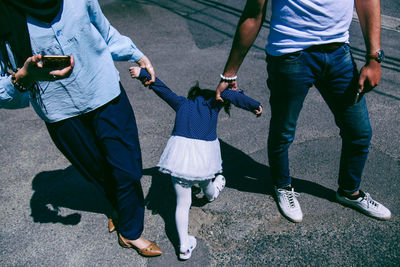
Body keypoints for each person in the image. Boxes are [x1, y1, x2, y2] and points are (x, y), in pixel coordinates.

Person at [0, 0, 162, 257]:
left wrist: (137, 55)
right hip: (59, 111)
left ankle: (130, 233)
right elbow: (3, 89)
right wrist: (24, 77)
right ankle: (118, 208)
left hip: (105, 92)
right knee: (97, 170)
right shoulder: (4, 12)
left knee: (128, 169)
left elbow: (105, 32)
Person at [216, 0, 391, 222]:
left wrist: (374, 58)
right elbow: (253, 14)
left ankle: (349, 191)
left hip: (339, 54)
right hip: (290, 54)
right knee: (283, 131)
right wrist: (229, 73)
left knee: (359, 131)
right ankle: (282, 185)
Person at [130, 66, 262, 260]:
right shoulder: (214, 104)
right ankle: (212, 193)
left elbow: (162, 89)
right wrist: (253, 104)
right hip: (203, 157)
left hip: (180, 158)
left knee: (182, 204)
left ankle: (184, 246)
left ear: (194, 96)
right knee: (206, 182)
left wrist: (142, 73)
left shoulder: (182, 103)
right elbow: (231, 96)